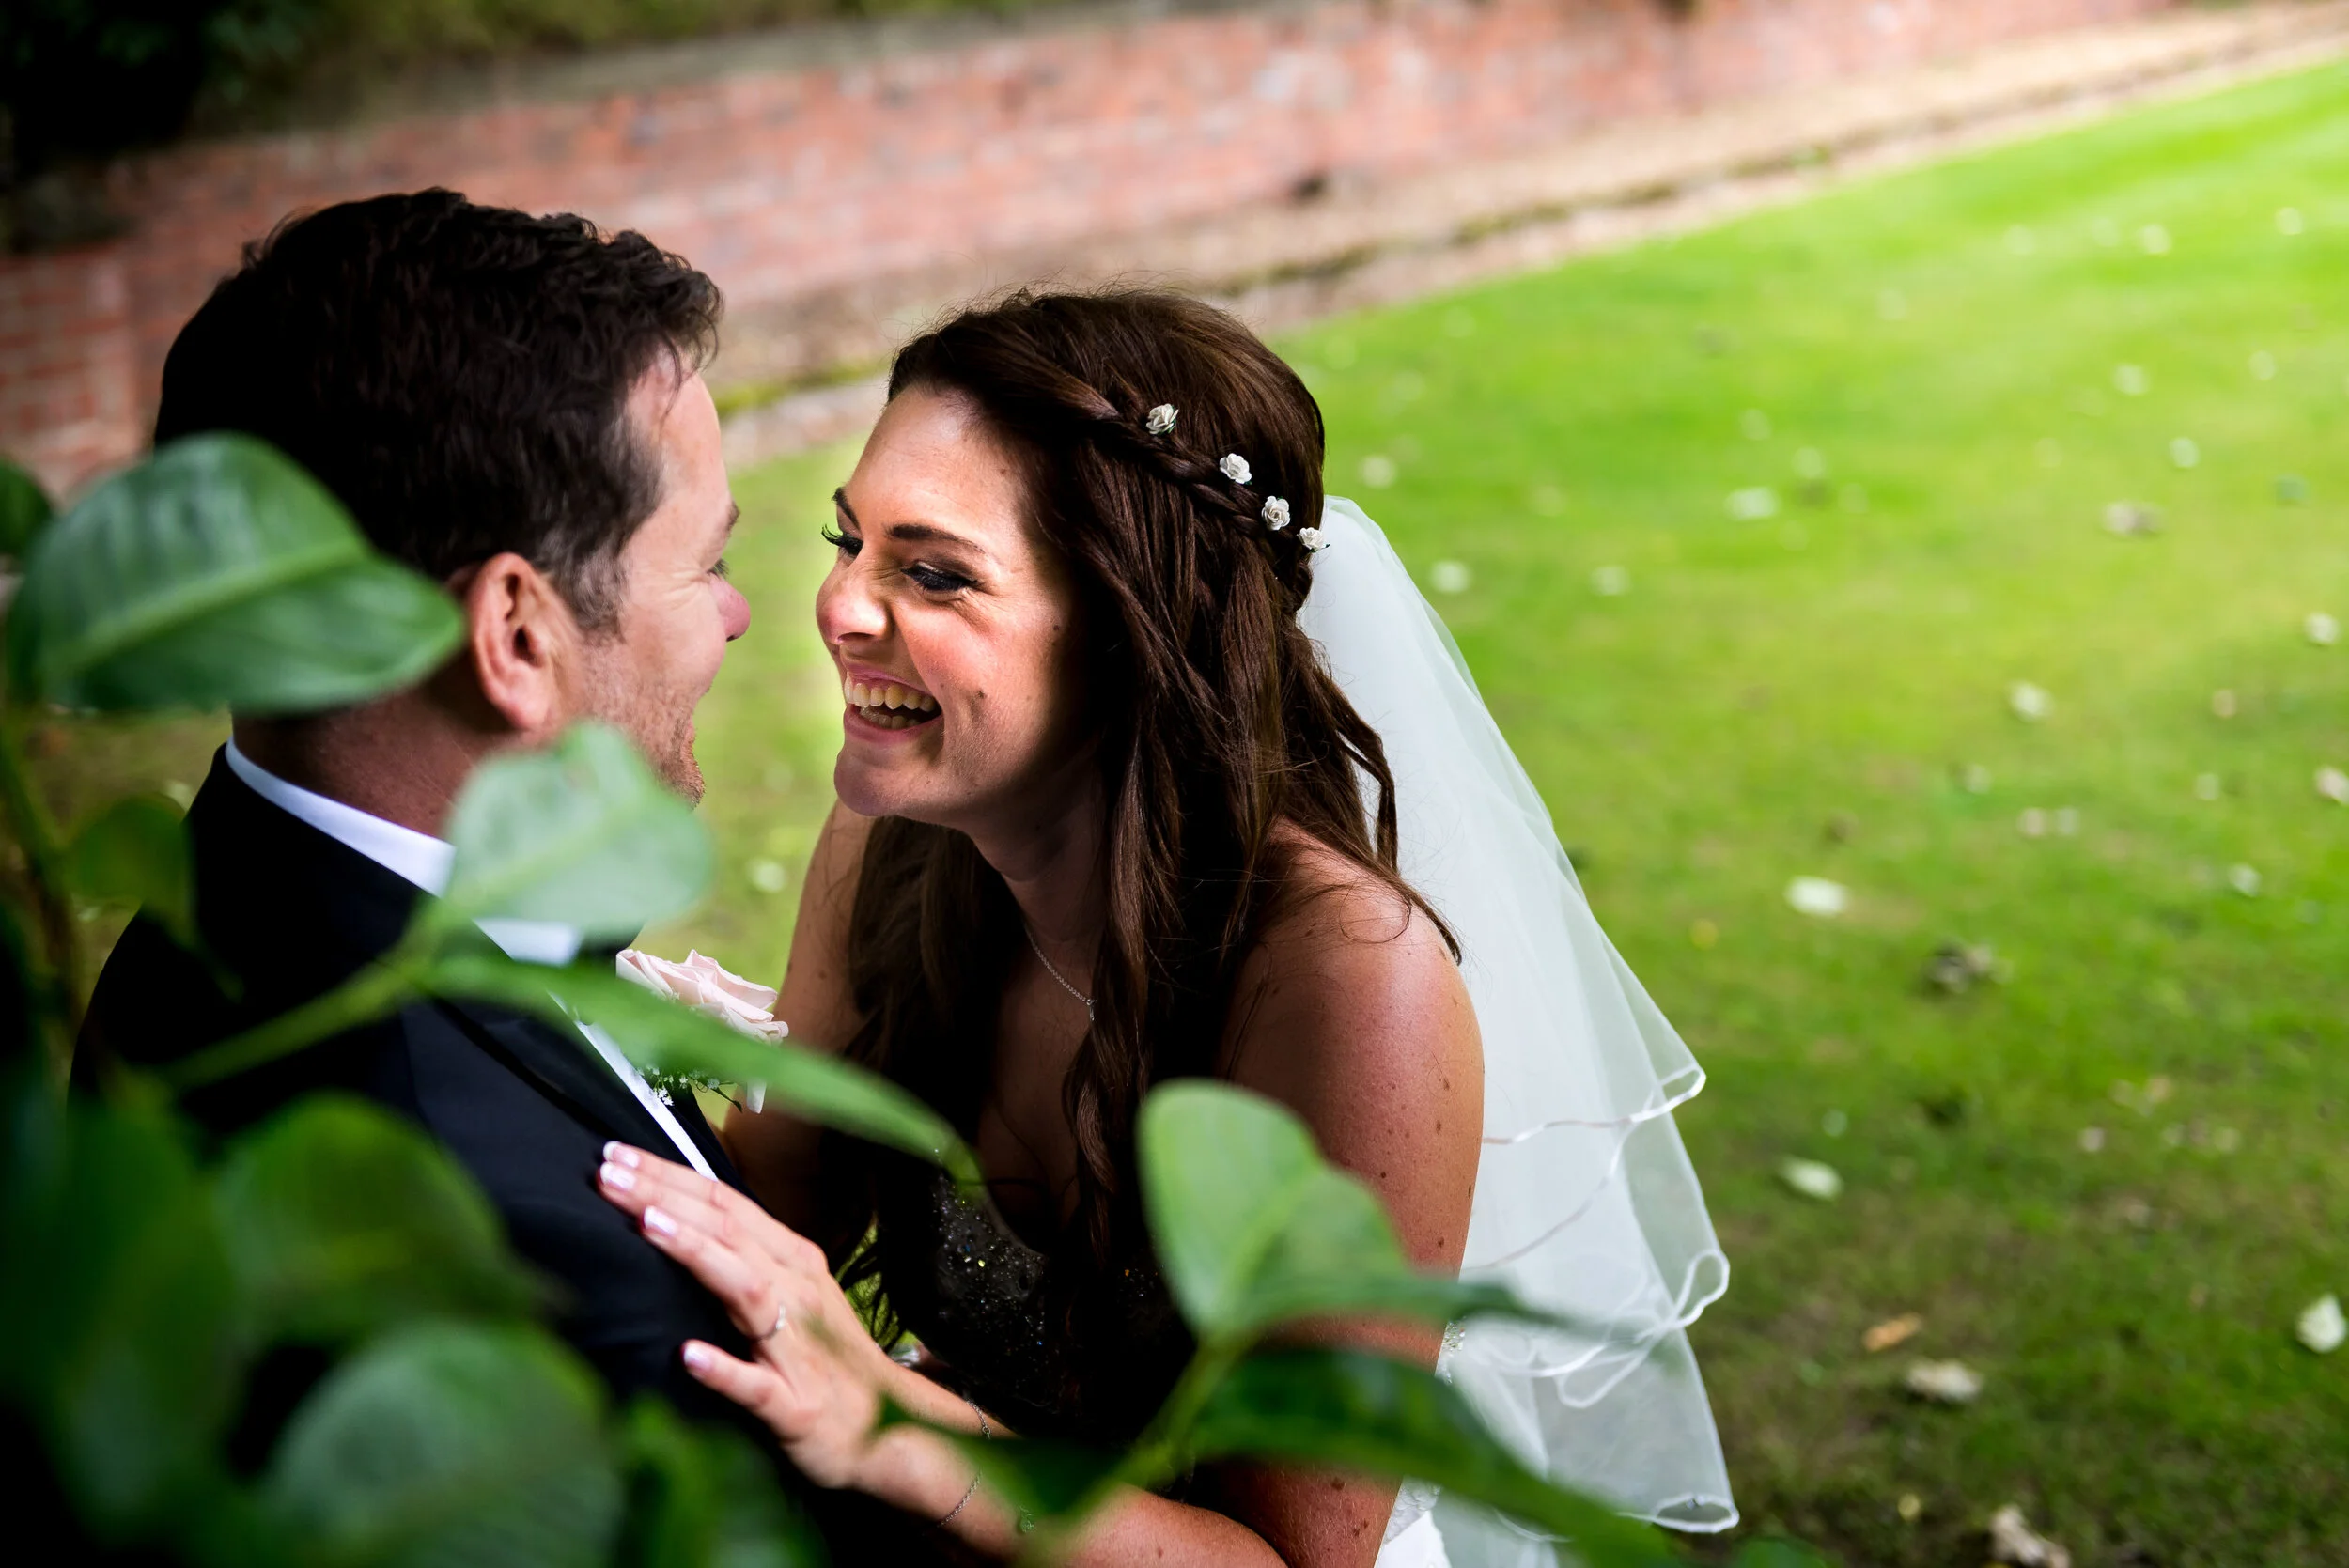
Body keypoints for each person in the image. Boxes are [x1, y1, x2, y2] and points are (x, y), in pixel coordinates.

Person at [594, 289, 1735, 1566]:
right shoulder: (895, 851)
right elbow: (775, 1213)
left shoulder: (1348, 983)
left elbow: (1298, 1557)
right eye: (846, 539)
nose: (839, 607)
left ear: (1132, 629)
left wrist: (899, 1430)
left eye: (933, 572)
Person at [76, 190, 935, 1552]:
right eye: (705, 563)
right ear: (517, 639)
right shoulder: (535, 1272)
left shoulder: (236, 897)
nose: (738, 613)